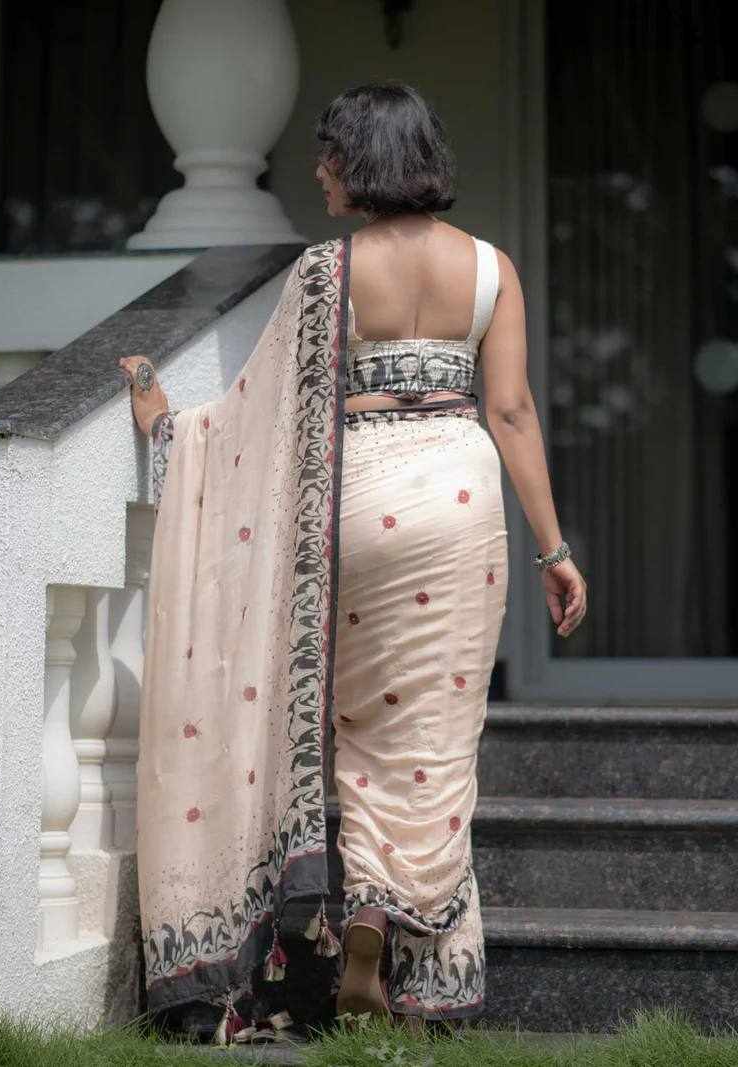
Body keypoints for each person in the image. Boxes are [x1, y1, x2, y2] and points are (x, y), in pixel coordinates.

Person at [120, 83, 587, 1042]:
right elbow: (511, 412)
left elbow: (260, 409)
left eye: (329, 154)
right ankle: (392, 920)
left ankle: (362, 906)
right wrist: (555, 547)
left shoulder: (326, 272)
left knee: (358, 723)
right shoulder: (492, 268)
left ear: (363, 160)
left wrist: (175, 432)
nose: (320, 170)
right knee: (437, 735)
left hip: (360, 496)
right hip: (458, 499)